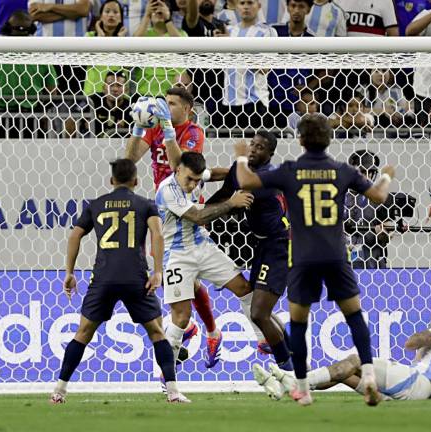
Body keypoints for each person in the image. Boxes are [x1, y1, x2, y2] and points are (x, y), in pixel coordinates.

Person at [234, 113, 396, 406]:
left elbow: (245, 179)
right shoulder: (342, 170)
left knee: (298, 323)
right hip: (335, 255)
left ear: (300, 140)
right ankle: (369, 376)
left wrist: (240, 157)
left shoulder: (290, 170)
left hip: (303, 257)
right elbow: (379, 196)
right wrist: (386, 174)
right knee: (354, 316)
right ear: (329, 139)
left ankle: (303, 389)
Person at [49, 159, 189, 404]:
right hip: (136, 277)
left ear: (111, 181)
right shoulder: (145, 204)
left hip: (103, 277)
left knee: (83, 333)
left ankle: (59, 391)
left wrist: (69, 272)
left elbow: (75, 235)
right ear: (136, 181)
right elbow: (157, 233)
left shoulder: (96, 205)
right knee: (157, 332)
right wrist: (157, 271)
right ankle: (174, 392)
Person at [125, 88, 223, 367]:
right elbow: (130, 159)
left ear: (187, 109)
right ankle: (205, 330)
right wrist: (139, 127)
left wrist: (167, 130)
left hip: (188, 210)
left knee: (182, 275)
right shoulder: (156, 128)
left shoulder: (194, 132)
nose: (165, 107)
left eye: (171, 104)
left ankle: (204, 329)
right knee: (182, 278)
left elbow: (180, 167)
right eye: (164, 103)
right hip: (163, 210)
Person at [155, 151, 273, 369]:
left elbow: (215, 174)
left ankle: (262, 339)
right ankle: (167, 376)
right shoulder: (167, 190)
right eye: (189, 179)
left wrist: (238, 175)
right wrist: (231, 202)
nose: (192, 185)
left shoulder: (197, 176)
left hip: (203, 247)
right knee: (181, 317)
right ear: (178, 169)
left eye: (197, 180)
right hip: (177, 255)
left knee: (244, 287)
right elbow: (198, 217)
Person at [254, 293, 431, 403]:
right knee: (346, 372)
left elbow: (411, 342)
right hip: (422, 391)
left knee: (357, 360)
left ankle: (295, 380)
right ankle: (288, 385)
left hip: (417, 383)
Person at [205, 131, 293, 366]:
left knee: (258, 314)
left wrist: (241, 158)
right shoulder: (239, 168)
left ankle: (289, 368)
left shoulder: (269, 175)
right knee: (258, 307)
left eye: (260, 147)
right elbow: (225, 195)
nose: (253, 149)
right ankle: (291, 351)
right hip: (261, 245)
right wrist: (198, 215)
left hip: (280, 244)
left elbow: (244, 185)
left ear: (270, 153)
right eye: (252, 144)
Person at [216, 0, 277, 132]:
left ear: (259, 6)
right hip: (227, 104)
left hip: (254, 103)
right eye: (242, 3)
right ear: (237, 7)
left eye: (250, 3)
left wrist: (234, 46)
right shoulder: (229, 31)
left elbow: (265, 68)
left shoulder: (267, 32)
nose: (246, 7)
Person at [269, 0, 314, 128]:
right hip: (271, 100)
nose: (296, 10)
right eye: (293, 6)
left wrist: (307, 88)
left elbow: (323, 71)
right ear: (288, 7)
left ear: (308, 9)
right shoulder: (274, 32)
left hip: (297, 104)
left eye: (301, 6)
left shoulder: (312, 40)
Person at [345, 150, 392, 269]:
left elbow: (388, 234)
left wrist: (382, 234)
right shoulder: (339, 197)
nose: (367, 176)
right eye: (362, 171)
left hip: (373, 263)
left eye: (370, 172)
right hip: (344, 265)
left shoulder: (378, 199)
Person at [134, 0, 188, 97]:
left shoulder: (180, 34)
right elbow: (132, 46)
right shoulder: (144, 34)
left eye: (162, 9)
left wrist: (167, 20)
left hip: (174, 94)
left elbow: (182, 47)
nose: (159, 12)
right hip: (145, 92)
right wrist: (147, 15)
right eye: (154, 9)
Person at [90, 71, 133, 137]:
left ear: (126, 90)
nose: (115, 89)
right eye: (111, 85)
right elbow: (73, 117)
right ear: (103, 88)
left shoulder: (130, 109)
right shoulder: (93, 101)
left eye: (119, 85)